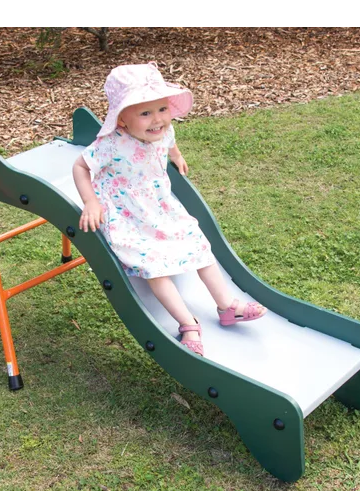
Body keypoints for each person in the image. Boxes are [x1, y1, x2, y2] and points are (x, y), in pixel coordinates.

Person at [72, 62, 266, 357]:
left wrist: (176, 156)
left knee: (198, 244)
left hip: (160, 206)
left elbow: (170, 142)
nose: (158, 119)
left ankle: (227, 306)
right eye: (145, 113)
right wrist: (91, 202)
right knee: (154, 266)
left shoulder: (164, 131)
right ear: (121, 119)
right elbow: (80, 166)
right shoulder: (110, 144)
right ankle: (188, 324)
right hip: (127, 214)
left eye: (162, 109)